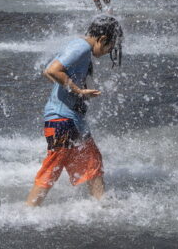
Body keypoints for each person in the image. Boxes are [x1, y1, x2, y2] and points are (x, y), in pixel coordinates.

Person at [26, 15, 124, 207]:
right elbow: (52, 70)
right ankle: (28, 210)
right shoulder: (81, 47)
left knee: (92, 159)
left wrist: (75, 91)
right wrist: (78, 90)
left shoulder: (79, 46)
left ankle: (102, 206)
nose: (108, 53)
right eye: (110, 48)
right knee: (53, 166)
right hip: (61, 119)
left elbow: (50, 72)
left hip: (73, 118)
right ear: (102, 39)